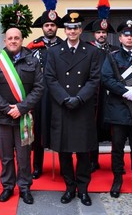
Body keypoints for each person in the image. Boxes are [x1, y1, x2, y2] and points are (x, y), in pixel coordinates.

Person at [45, 12, 100, 206]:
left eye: (76, 27)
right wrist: (65, 98)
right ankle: (69, 187)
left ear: (81, 30)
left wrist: (79, 98)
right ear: (65, 30)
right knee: (64, 152)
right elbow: (50, 78)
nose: (72, 31)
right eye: (69, 27)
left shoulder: (92, 51)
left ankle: (83, 189)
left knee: (84, 152)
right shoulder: (53, 51)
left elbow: (94, 79)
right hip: (63, 108)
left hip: (82, 108)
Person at [0, 27, 43, 205]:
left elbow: (39, 87)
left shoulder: (33, 61)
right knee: (6, 156)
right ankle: (8, 186)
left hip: (24, 117)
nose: (13, 41)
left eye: (17, 38)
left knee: (24, 155)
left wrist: (21, 108)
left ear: (22, 39)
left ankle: (24, 187)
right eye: (10, 38)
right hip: (3, 118)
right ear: (5, 41)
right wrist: (7, 108)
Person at [101, 19, 132, 199]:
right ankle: (117, 180)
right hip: (118, 111)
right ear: (120, 38)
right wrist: (125, 91)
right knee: (117, 149)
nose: (129, 38)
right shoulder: (112, 57)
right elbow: (106, 79)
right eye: (125, 35)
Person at [26, 0, 63, 179]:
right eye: (47, 25)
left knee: (60, 129)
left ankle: (64, 165)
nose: (50, 28)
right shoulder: (33, 47)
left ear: (57, 27)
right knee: (38, 132)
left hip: (58, 95)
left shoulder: (64, 47)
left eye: (53, 25)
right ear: (43, 27)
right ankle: (38, 166)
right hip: (39, 96)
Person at [83, 0, 118, 173]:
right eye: (98, 32)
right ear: (94, 34)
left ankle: (115, 163)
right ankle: (92, 161)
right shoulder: (87, 49)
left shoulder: (115, 51)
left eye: (104, 32)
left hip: (111, 95)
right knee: (92, 128)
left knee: (114, 130)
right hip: (93, 94)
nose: (101, 35)